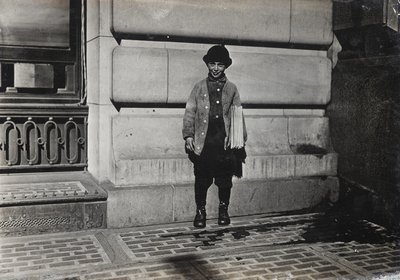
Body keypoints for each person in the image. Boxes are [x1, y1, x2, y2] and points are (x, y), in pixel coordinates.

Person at [182, 45, 247, 228]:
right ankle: (200, 211)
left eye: (220, 64)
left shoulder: (232, 89)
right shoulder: (199, 87)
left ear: (225, 66)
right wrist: (188, 135)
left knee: (224, 181)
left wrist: (237, 139)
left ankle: (223, 210)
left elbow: (237, 115)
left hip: (223, 144)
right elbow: (190, 112)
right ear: (207, 65)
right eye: (212, 64)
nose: (216, 68)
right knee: (202, 179)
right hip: (205, 143)